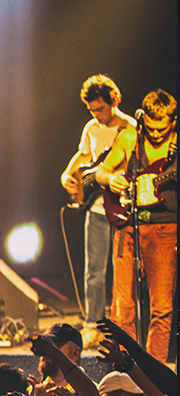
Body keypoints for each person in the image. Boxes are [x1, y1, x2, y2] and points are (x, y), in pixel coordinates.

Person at [95, 89, 177, 364]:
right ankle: (125, 370)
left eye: (161, 128)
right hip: (128, 226)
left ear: (173, 122)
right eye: (151, 128)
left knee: (161, 308)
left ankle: (155, 374)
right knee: (123, 307)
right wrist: (110, 180)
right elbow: (102, 172)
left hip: (165, 228)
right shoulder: (131, 138)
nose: (155, 133)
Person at [59, 75, 137, 348]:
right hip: (95, 208)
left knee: (122, 272)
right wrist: (67, 175)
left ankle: (121, 325)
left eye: (100, 109)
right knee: (94, 270)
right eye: (92, 110)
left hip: (123, 210)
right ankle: (92, 324)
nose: (96, 115)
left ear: (114, 101)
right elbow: (82, 157)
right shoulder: (91, 128)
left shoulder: (131, 128)